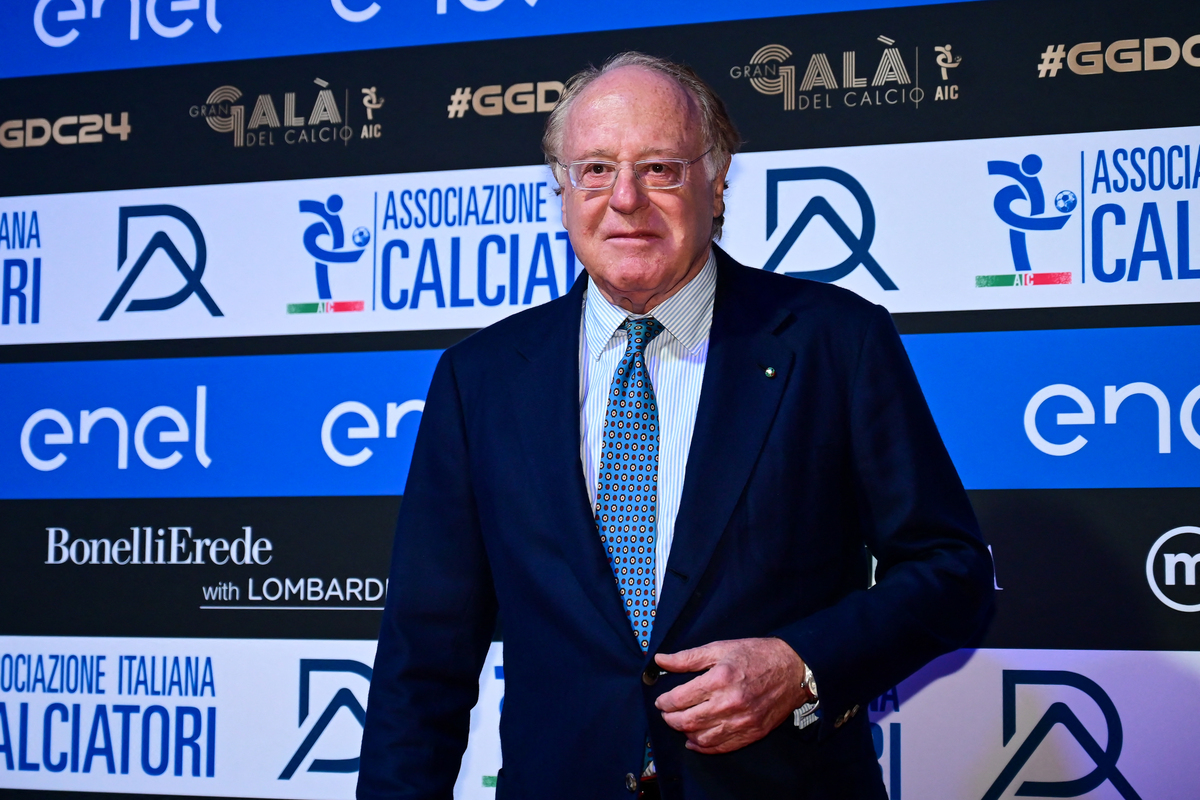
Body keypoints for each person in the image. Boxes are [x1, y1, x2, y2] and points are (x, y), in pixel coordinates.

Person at [358, 52, 993, 800]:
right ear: (561, 190)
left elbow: (952, 572)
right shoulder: (480, 379)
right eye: (595, 169)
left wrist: (801, 665)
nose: (624, 198)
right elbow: (422, 658)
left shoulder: (834, 343)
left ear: (717, 183)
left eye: (659, 168)